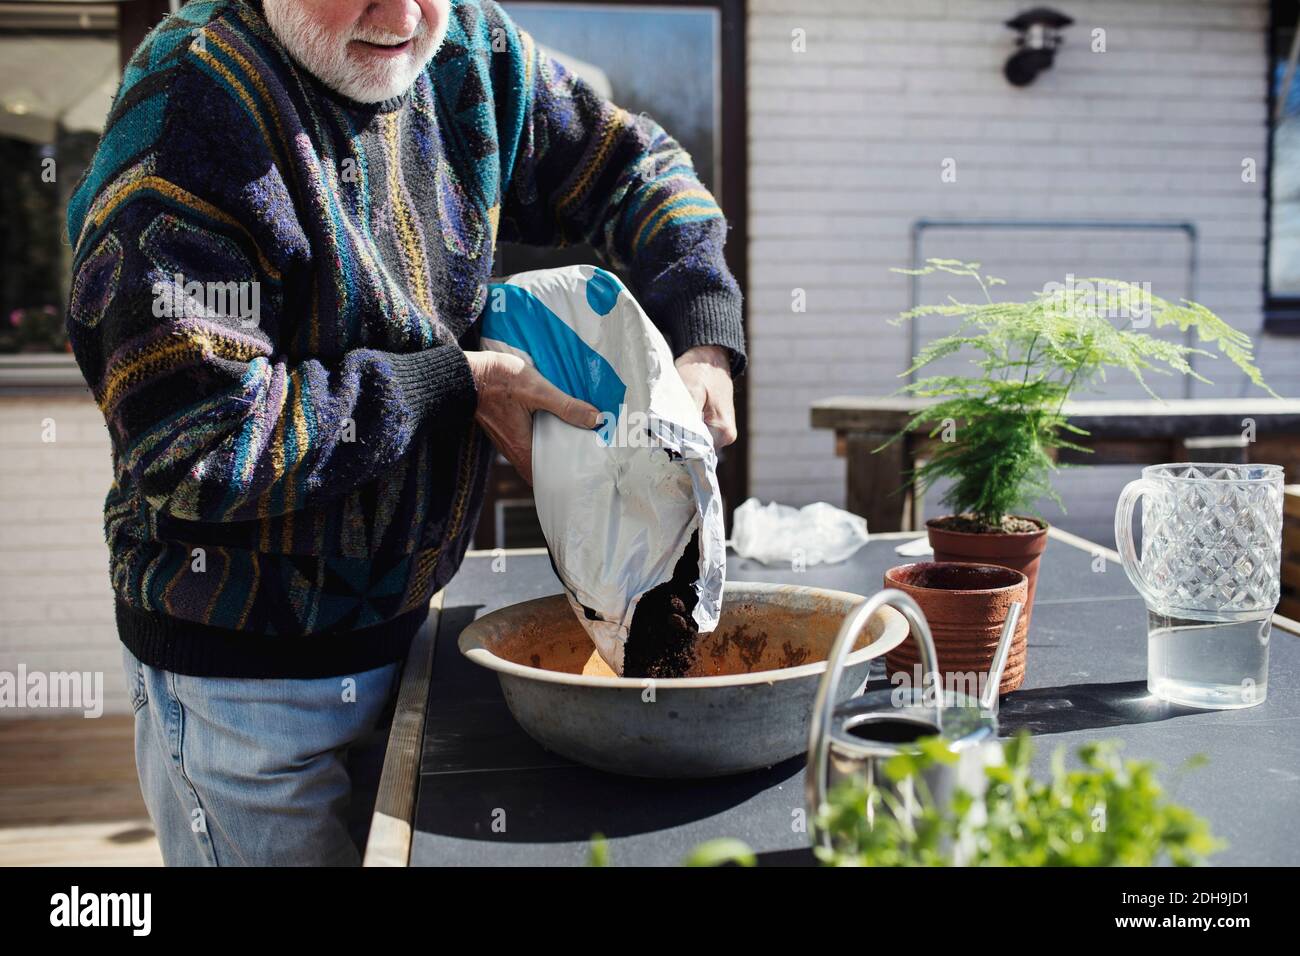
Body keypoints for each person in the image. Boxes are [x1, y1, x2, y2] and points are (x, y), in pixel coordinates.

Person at [65, 0, 744, 865]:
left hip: (409, 635)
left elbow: (634, 164)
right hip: (246, 690)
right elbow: (196, 444)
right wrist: (449, 384)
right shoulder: (189, 112)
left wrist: (705, 331)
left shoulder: (469, 49)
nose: (404, 14)